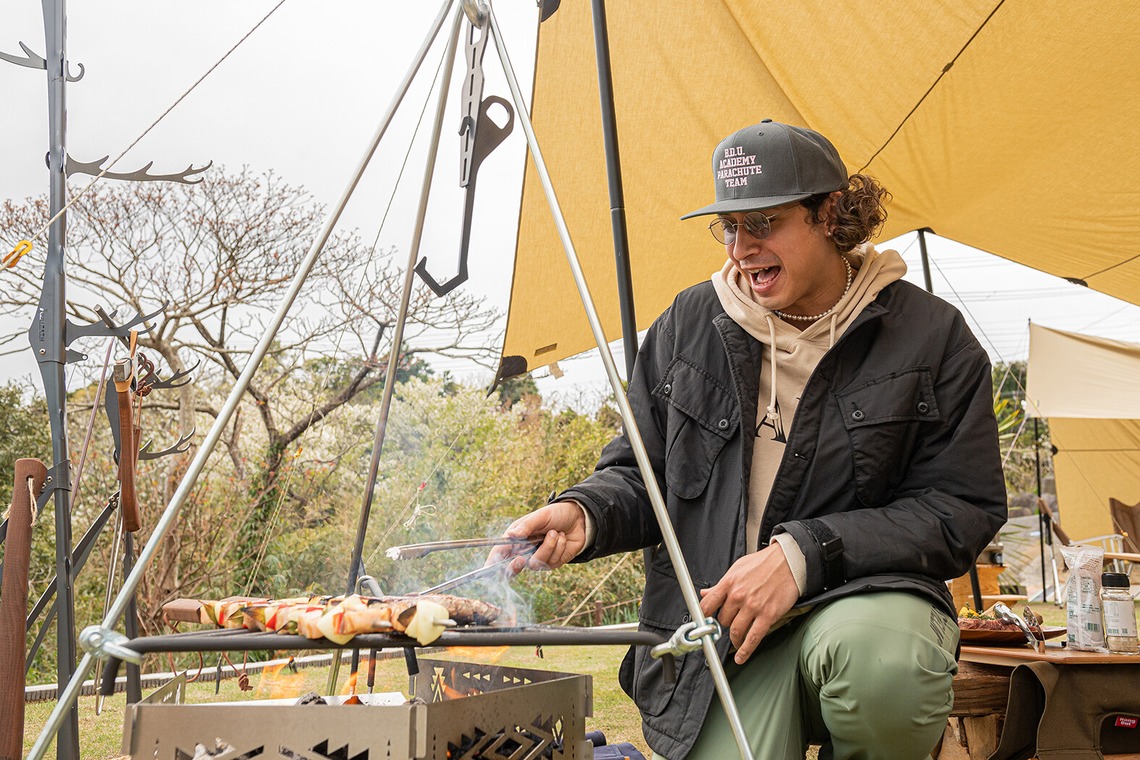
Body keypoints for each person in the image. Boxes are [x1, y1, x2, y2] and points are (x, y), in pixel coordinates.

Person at [492, 120, 1007, 759]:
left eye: (762, 223)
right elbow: (643, 472)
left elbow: (960, 506)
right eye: (729, 227)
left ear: (832, 214)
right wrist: (586, 513)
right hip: (721, 631)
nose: (741, 248)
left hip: (863, 607)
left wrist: (802, 555)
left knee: (886, 668)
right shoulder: (688, 323)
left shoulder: (932, 337)